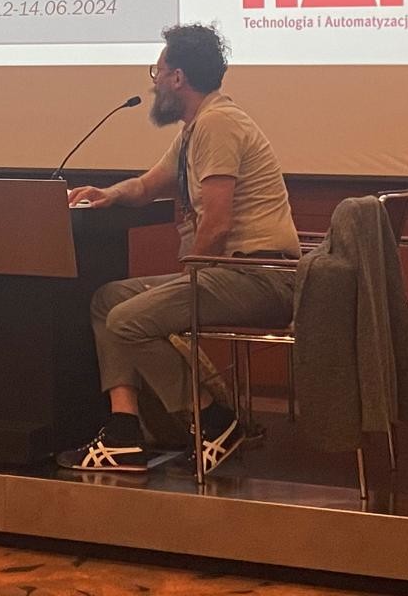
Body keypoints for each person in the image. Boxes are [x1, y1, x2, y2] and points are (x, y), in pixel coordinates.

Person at [58, 23, 299, 473]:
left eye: (158, 72)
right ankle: (124, 432)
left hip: (257, 276)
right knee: (108, 300)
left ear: (178, 77)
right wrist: (108, 194)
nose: (154, 83)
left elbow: (217, 223)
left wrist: (187, 278)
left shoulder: (218, 124)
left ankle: (214, 421)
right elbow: (147, 186)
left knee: (128, 320)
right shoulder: (195, 129)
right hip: (229, 273)